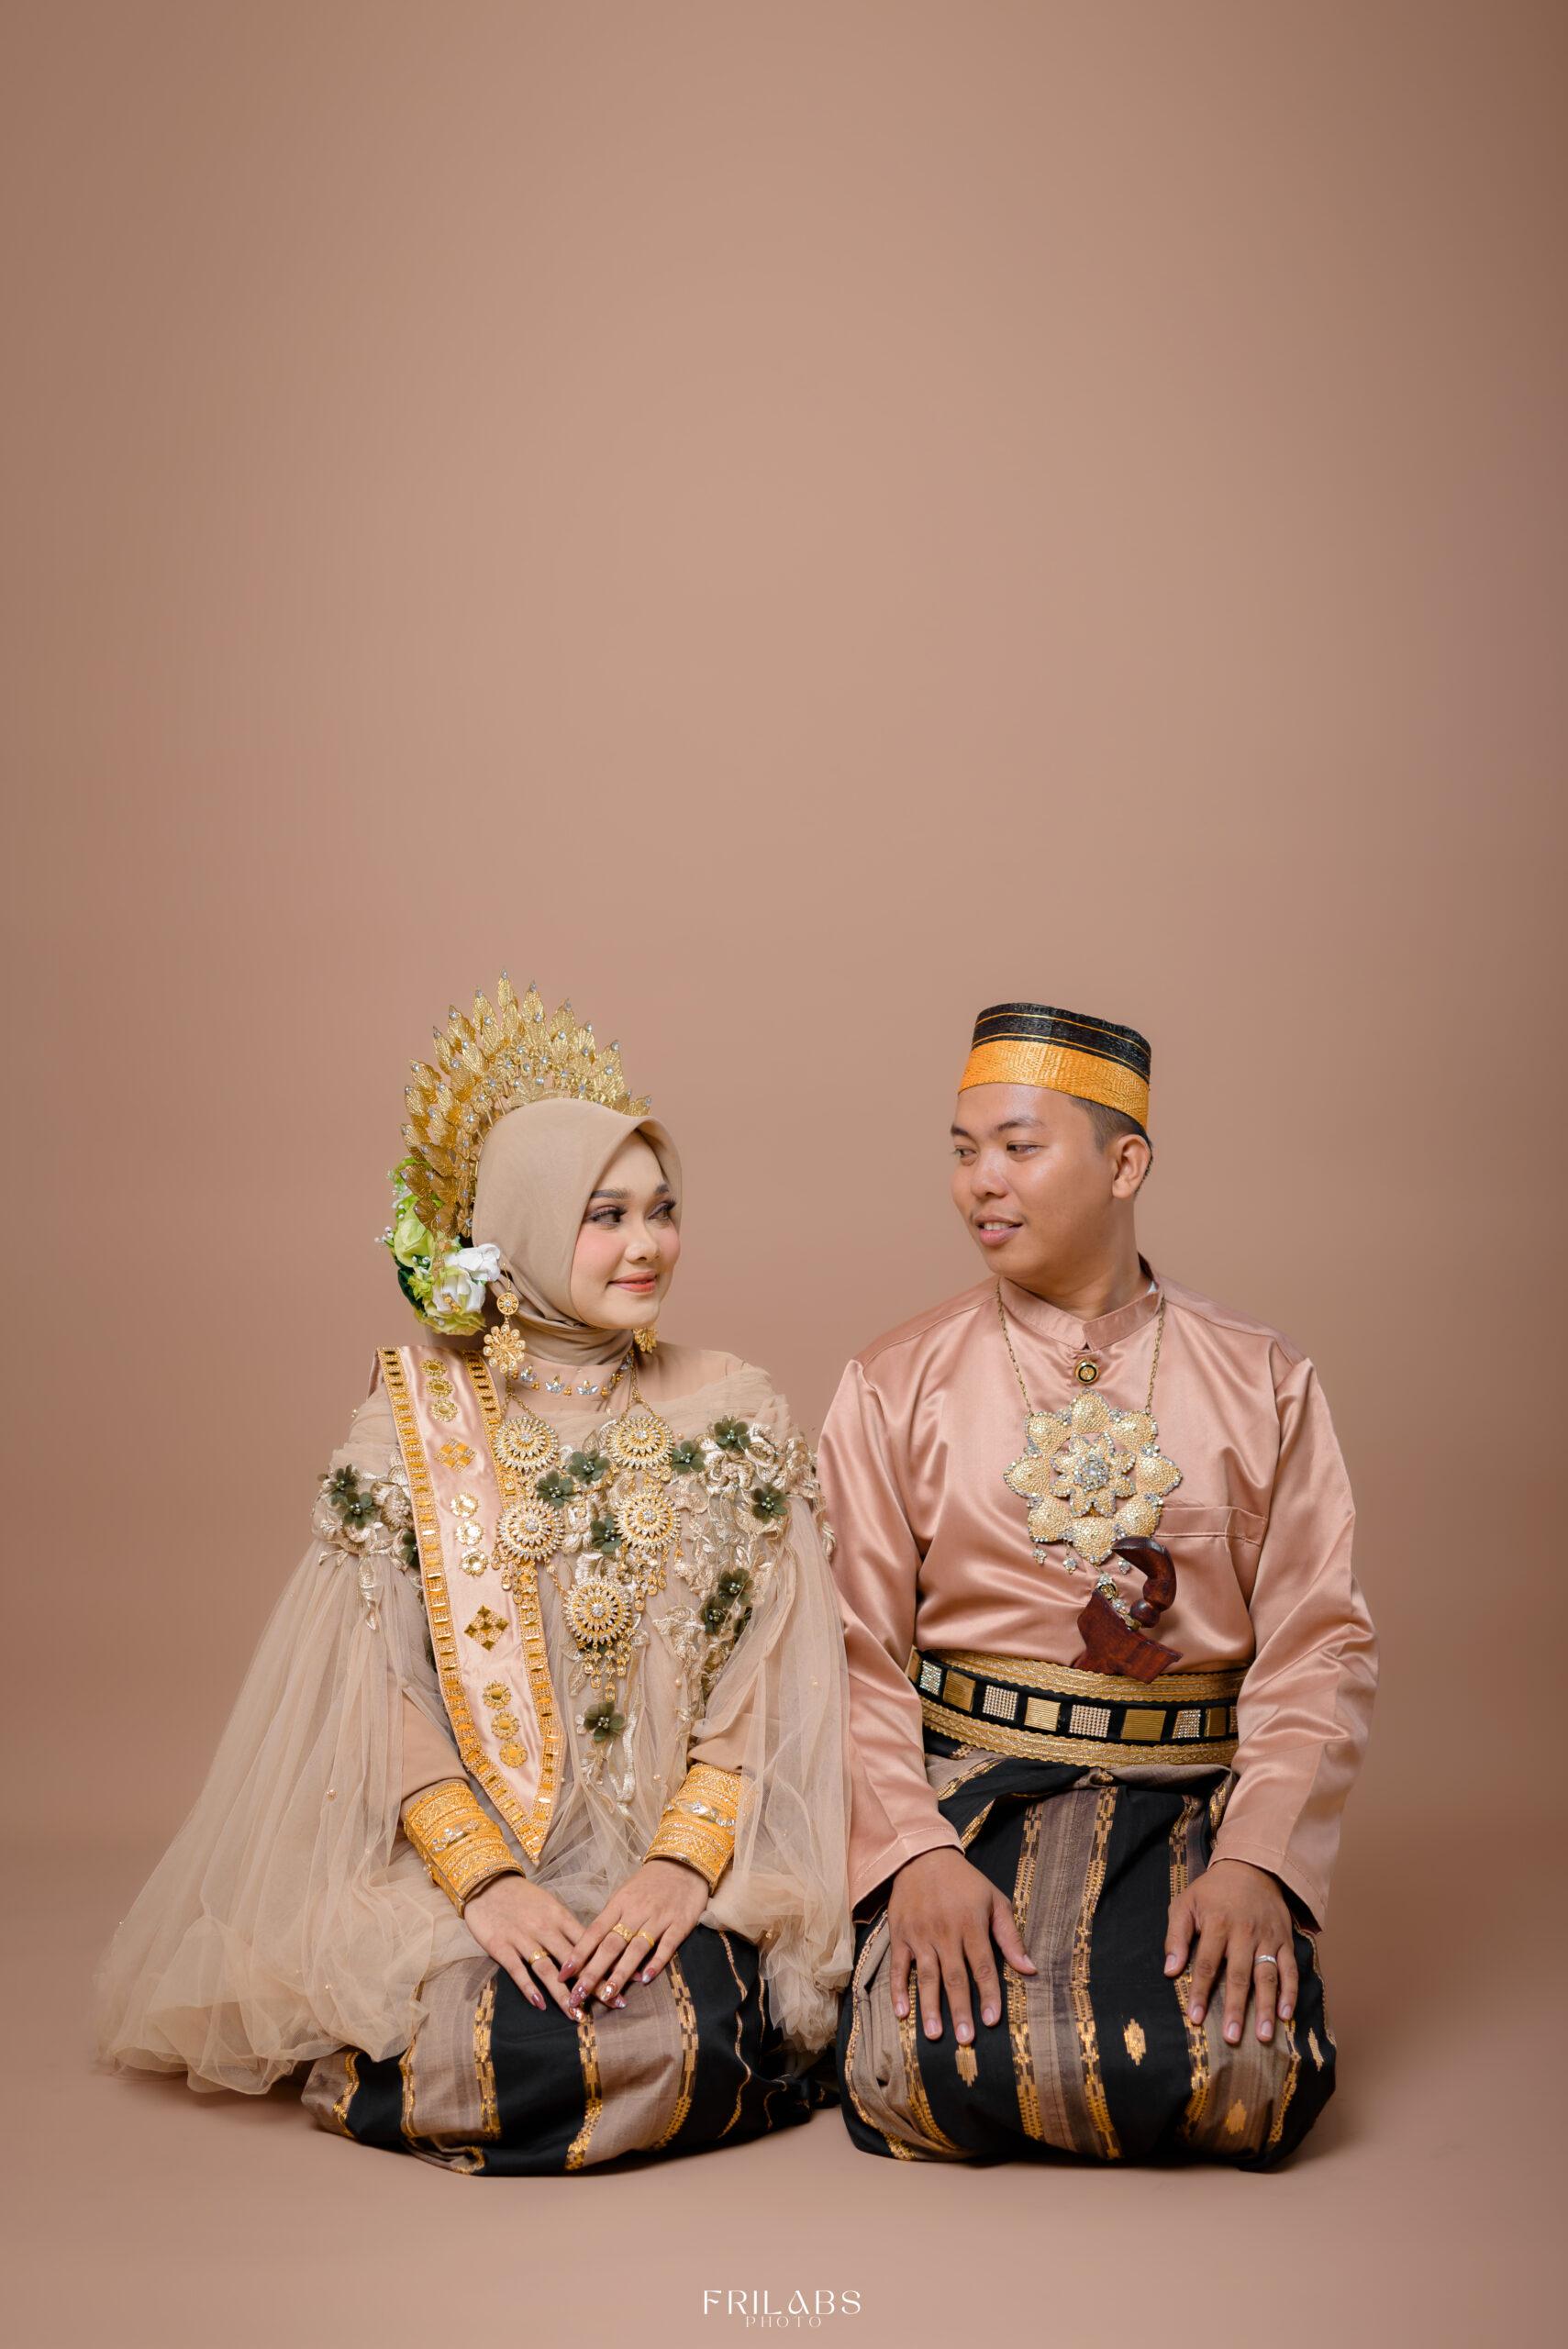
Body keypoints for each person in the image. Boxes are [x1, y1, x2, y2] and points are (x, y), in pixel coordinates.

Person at [96, 979, 851, 2173]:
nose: (647, 1245)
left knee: (690, 2033)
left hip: (691, 1854)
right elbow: (379, 1686)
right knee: (482, 2045)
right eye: (605, 1215)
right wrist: (484, 1882)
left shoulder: (732, 1408)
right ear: (522, 1226)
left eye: (662, 1210)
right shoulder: (414, 1429)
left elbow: (771, 1672)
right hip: (473, 1860)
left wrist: (678, 1865)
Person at [820, 1001, 1375, 2166]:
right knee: (920, 2073)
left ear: (1125, 1164)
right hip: (968, 1794)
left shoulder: (1260, 1378)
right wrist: (912, 1855)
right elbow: (845, 1649)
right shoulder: (893, 1381)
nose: (980, 1181)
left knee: (1237, 2081)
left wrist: (1256, 1859)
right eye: (963, 1151)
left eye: (1017, 1147)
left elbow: (1317, 1644)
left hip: (1190, 1796)